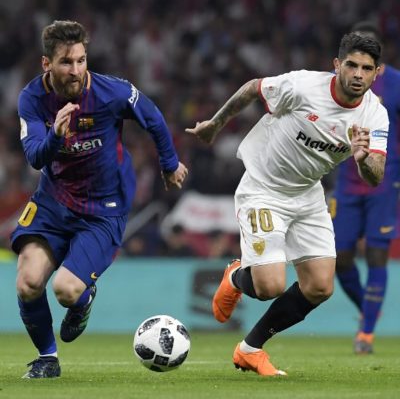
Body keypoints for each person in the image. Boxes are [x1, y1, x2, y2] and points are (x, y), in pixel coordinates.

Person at [186, 32, 388, 376]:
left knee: (320, 286)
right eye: (351, 65)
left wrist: (363, 158)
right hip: (263, 190)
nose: (358, 74)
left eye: (366, 69)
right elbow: (253, 87)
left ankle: (249, 350)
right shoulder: (303, 86)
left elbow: (376, 176)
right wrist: (215, 124)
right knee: (270, 286)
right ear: (337, 65)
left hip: (307, 194)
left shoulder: (375, 114)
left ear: (376, 73)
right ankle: (236, 277)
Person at [11, 20, 188, 379]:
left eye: (81, 60)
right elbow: (34, 157)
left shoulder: (112, 92)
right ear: (47, 64)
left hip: (102, 208)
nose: (76, 70)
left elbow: (153, 117)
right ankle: (47, 359)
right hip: (53, 201)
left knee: (66, 289)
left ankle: (83, 300)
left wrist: (169, 164)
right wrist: (56, 135)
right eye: (66, 62)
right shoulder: (32, 99)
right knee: (28, 281)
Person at [330, 21, 400, 354]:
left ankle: (366, 334)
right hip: (347, 182)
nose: (360, 68)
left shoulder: (396, 84)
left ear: (379, 63)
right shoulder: (338, 81)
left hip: (384, 181)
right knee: (339, 258)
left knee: (376, 254)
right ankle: (368, 309)